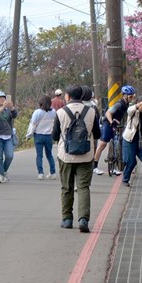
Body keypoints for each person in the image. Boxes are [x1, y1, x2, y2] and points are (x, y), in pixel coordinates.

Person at [52, 84, 100, 232]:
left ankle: (67, 219)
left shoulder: (60, 112)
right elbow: (97, 134)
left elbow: (54, 136)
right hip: (86, 156)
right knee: (84, 187)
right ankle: (83, 219)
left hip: (65, 155)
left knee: (66, 187)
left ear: (68, 96)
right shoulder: (91, 112)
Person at [93, 85, 136, 176]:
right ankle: (94, 166)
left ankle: (116, 167)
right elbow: (108, 112)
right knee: (103, 144)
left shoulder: (126, 104)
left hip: (116, 123)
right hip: (107, 123)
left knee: (116, 143)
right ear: (124, 95)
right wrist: (111, 121)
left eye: (133, 96)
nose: (132, 98)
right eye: (131, 96)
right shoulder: (119, 104)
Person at [26, 94, 57, 179]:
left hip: (39, 136)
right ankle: (53, 172)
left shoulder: (37, 112)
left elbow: (33, 125)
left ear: (41, 103)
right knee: (49, 154)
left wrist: (29, 135)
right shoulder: (53, 112)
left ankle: (40, 173)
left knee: (39, 155)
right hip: (48, 136)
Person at [0, 91, 18, 183]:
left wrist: (12, 108)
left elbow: (15, 115)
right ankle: (1, 175)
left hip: (8, 136)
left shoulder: (8, 109)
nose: (2, 99)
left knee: (10, 156)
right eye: (0, 98)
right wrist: (2, 107)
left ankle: (4, 171)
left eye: (4, 98)